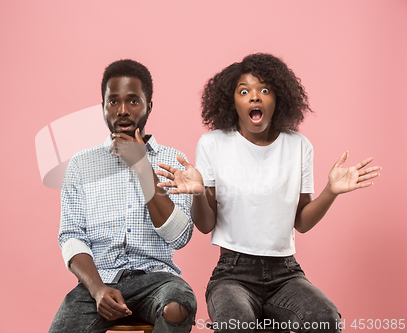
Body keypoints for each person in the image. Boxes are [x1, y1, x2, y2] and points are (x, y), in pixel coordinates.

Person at [156, 53, 381, 333]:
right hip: (232, 273)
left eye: (264, 90)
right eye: (244, 91)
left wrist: (331, 191)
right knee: (236, 325)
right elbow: (205, 225)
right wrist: (199, 193)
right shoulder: (213, 144)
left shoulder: (299, 146)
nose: (255, 97)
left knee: (325, 319)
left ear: (279, 98)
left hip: (285, 273)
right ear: (232, 101)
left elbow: (302, 221)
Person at [48, 59, 197, 333]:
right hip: (99, 281)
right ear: (103, 106)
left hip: (157, 280)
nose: (123, 111)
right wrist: (97, 289)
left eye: (133, 101)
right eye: (113, 102)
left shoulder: (172, 160)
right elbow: (70, 236)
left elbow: (179, 236)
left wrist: (143, 166)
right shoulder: (82, 164)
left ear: (148, 106)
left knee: (180, 305)